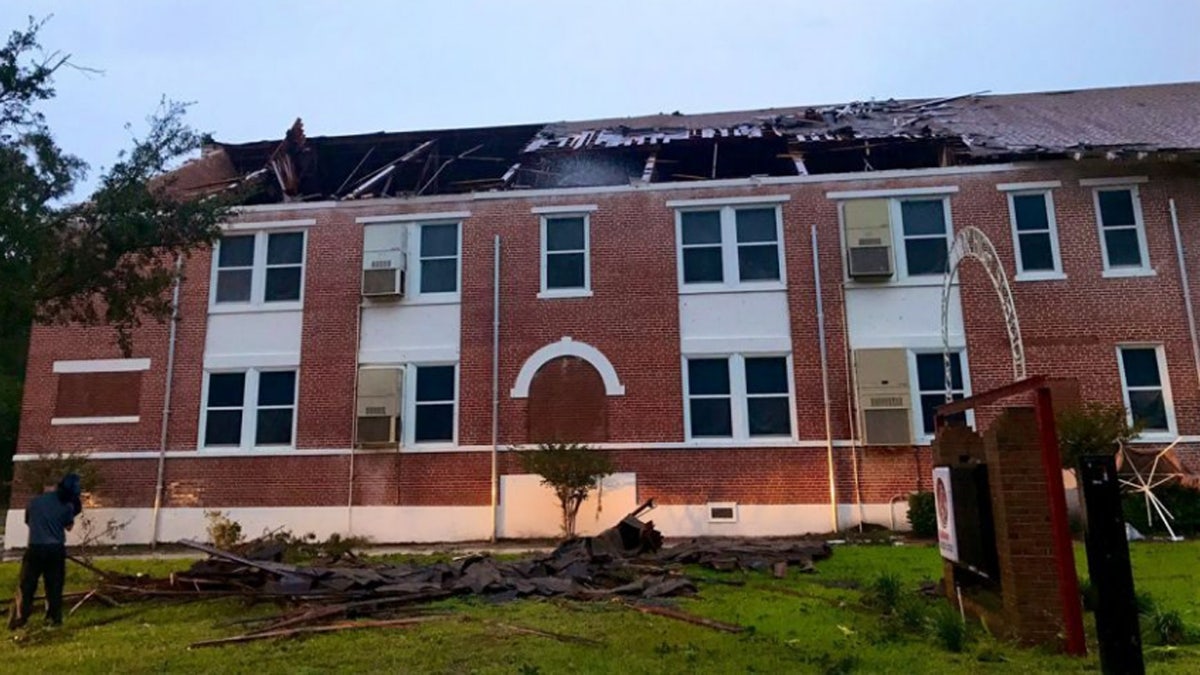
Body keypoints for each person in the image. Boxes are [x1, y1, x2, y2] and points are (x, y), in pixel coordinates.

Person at [8, 474, 82, 629]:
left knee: (27, 584)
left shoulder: (34, 503)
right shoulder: (66, 505)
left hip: (35, 547)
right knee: (54, 585)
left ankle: (21, 618)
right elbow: (68, 526)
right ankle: (54, 618)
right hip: (55, 549)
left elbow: (29, 522)